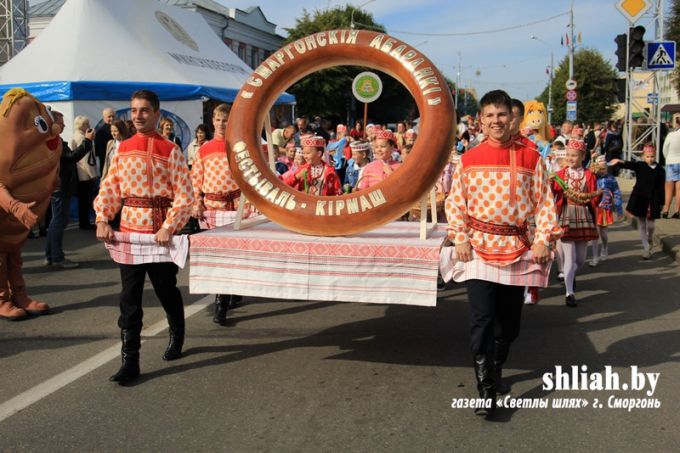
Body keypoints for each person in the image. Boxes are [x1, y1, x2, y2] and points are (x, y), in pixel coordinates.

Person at [444, 90, 559, 417]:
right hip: (477, 249)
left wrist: (542, 239)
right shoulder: (469, 158)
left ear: (513, 119)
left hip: (517, 248)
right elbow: (455, 203)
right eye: (490, 116)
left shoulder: (532, 157)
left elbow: (545, 203)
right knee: (480, 318)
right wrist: (460, 237)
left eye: (502, 115)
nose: (496, 121)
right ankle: (485, 387)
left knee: (508, 326)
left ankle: (496, 366)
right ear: (481, 120)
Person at [94, 89, 193, 385]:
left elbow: (184, 195)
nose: (138, 115)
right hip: (130, 235)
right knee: (129, 299)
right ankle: (130, 361)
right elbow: (110, 188)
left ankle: (176, 335)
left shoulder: (170, 150)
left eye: (145, 110)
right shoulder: (122, 149)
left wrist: (169, 226)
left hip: (160, 236)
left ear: (157, 113)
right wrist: (102, 218)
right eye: (134, 110)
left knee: (166, 291)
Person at [191, 104, 244, 325]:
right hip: (213, 206)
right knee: (218, 255)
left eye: (226, 120)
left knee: (233, 254)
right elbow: (196, 179)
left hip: (236, 206)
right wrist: (197, 201)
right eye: (218, 119)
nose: (222, 124)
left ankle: (228, 296)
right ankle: (222, 300)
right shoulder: (203, 149)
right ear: (213, 121)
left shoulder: (238, 147)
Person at [551, 139, 601, 306]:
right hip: (566, 215)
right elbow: (552, 193)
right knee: (570, 257)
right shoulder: (560, 175)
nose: (571, 158)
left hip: (584, 215)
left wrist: (601, 196)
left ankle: (570, 274)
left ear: (582, 156)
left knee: (580, 260)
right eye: (569, 155)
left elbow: (594, 195)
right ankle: (569, 292)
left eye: (574, 155)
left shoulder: (589, 175)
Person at [45, 111, 95, 269]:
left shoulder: (52, 140)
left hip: (59, 185)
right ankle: (57, 257)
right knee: (58, 222)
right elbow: (71, 157)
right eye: (61, 122)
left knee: (55, 222)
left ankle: (52, 255)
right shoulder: (52, 141)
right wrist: (87, 142)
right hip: (61, 186)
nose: (64, 125)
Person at [610, 144, 666, 259]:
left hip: (654, 199)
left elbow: (661, 187)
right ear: (643, 157)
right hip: (640, 198)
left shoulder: (660, 170)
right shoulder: (640, 165)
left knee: (650, 224)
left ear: (655, 156)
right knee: (642, 222)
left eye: (652, 156)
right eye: (647, 156)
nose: (650, 159)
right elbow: (630, 165)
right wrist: (619, 161)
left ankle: (649, 237)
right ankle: (646, 248)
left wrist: (662, 202)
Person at [589, 155, 623, 267]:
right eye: (600, 168)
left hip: (605, 208)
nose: (602, 171)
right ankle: (595, 257)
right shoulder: (592, 177)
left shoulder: (611, 179)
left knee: (603, 233)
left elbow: (617, 193)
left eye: (604, 168)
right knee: (595, 233)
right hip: (594, 207)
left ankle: (604, 246)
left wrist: (619, 210)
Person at [72, 115, 98, 230]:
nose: (89, 126)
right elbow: (86, 159)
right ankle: (85, 222)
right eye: (86, 124)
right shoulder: (82, 138)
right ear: (81, 126)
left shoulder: (76, 136)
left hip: (80, 173)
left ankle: (84, 222)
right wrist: (93, 175)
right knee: (85, 200)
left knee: (83, 199)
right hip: (84, 174)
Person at [661, 115, 680, 218]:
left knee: (668, 189)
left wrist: (667, 158)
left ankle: (666, 210)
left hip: (671, 162)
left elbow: (665, 150)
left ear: (676, 123)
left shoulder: (671, 135)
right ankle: (677, 211)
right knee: (679, 189)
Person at [94, 107, 115, 175]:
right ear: (104, 118)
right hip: (106, 162)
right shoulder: (100, 131)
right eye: (109, 116)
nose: (111, 118)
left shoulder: (118, 128)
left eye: (113, 116)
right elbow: (99, 151)